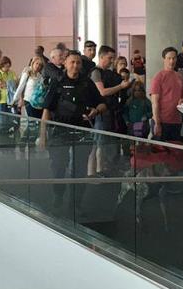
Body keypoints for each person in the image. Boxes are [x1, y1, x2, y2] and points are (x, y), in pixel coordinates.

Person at [39, 51, 106, 212]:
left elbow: (102, 104)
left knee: (80, 170)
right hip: (59, 132)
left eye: (78, 63)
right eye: (72, 62)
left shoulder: (87, 83)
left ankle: (75, 203)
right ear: (65, 63)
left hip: (82, 133)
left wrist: (95, 111)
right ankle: (58, 195)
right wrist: (42, 135)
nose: (75, 66)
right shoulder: (57, 82)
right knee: (58, 167)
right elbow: (46, 110)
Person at [89, 45, 131, 175]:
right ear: (101, 57)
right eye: (110, 58)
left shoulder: (109, 73)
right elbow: (103, 92)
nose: (112, 61)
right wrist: (120, 86)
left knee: (103, 142)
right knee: (98, 143)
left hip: (110, 111)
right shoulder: (96, 72)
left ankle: (100, 169)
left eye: (113, 58)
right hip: (101, 112)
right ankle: (96, 171)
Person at [149, 47, 183, 141]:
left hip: (176, 121)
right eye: (169, 58)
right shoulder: (158, 77)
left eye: (174, 58)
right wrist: (157, 123)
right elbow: (154, 102)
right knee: (160, 152)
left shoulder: (180, 77)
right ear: (164, 59)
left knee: (174, 151)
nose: (171, 61)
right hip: (162, 121)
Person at [13, 56, 46, 120]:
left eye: (40, 65)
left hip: (37, 102)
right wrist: (15, 99)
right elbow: (21, 86)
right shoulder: (27, 72)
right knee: (31, 121)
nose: (38, 66)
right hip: (28, 100)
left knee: (37, 122)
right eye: (37, 63)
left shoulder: (40, 76)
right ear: (33, 63)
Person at [0, 56, 17, 136]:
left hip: (10, 100)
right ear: (2, 65)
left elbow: (16, 83)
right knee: (0, 120)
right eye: (6, 66)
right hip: (0, 100)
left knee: (10, 120)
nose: (7, 68)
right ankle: (0, 138)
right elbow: (0, 83)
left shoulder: (11, 72)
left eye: (9, 66)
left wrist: (7, 84)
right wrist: (10, 84)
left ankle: (7, 137)